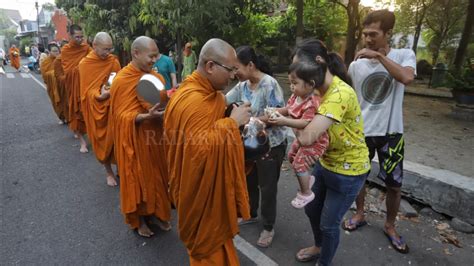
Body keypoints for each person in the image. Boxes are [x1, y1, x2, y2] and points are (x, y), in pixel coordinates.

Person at [164, 38, 251, 265]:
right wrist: (232, 124)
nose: (233, 75)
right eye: (230, 70)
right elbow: (197, 153)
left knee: (217, 244)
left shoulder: (208, 95)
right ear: (210, 66)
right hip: (197, 192)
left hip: (207, 189)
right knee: (207, 249)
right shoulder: (192, 100)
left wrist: (228, 117)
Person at [343, 10, 416, 254]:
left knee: (394, 185)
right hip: (362, 132)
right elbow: (347, 96)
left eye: (374, 34)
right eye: (365, 35)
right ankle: (360, 214)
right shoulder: (357, 65)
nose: (368, 39)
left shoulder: (404, 55)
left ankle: (390, 225)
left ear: (388, 33)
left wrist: (378, 57)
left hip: (391, 132)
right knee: (358, 178)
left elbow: (406, 77)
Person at [292, 39, 370, 266]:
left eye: (300, 67)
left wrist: (286, 121)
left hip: (349, 171)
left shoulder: (339, 94)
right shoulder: (316, 90)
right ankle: (319, 246)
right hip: (325, 162)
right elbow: (298, 113)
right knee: (311, 209)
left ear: (317, 62)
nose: (297, 74)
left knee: (329, 223)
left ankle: (324, 262)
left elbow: (307, 137)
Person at [109, 36, 171, 237]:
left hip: (155, 137)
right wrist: (146, 116)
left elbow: (163, 103)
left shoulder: (157, 78)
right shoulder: (122, 79)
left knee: (158, 177)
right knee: (138, 179)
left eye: (156, 56)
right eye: (151, 56)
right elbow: (119, 116)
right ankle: (140, 221)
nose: (154, 61)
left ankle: (158, 213)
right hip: (134, 139)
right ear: (136, 53)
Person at [225, 45, 287, 248]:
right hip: (249, 144)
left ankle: (268, 226)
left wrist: (250, 121)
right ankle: (249, 212)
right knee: (248, 179)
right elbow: (224, 100)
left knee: (267, 186)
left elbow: (277, 114)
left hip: (271, 145)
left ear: (250, 65)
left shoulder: (270, 84)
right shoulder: (242, 86)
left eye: (237, 68)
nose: (234, 74)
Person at [268, 61, 329, 209]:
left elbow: (305, 123)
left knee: (298, 164)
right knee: (291, 155)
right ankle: (307, 179)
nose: (291, 86)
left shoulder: (312, 102)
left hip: (316, 141)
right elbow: (288, 109)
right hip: (302, 139)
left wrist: (284, 121)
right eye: (290, 83)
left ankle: (306, 192)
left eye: (295, 83)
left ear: (309, 84)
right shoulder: (295, 97)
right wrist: (275, 111)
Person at [79, 32, 121, 187]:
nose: (108, 53)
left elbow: (117, 81)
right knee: (102, 142)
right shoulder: (85, 64)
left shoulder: (113, 61)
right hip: (96, 107)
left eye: (110, 49)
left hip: (113, 107)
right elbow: (85, 92)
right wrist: (100, 96)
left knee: (118, 140)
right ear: (94, 46)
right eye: (104, 49)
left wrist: (112, 90)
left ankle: (120, 168)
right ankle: (108, 171)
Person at [61, 24, 92, 153]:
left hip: (87, 85)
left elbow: (94, 62)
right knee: (76, 113)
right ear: (70, 36)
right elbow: (67, 71)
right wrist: (80, 67)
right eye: (77, 37)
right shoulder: (66, 50)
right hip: (74, 86)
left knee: (89, 113)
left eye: (81, 36)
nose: (80, 39)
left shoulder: (86, 48)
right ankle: (82, 142)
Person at [40, 44, 64, 123]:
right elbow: (44, 75)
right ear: (49, 52)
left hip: (62, 85)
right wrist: (53, 74)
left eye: (57, 51)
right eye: (54, 51)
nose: (56, 53)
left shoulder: (62, 59)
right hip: (52, 86)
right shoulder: (45, 62)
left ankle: (67, 116)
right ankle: (61, 117)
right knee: (56, 102)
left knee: (65, 101)